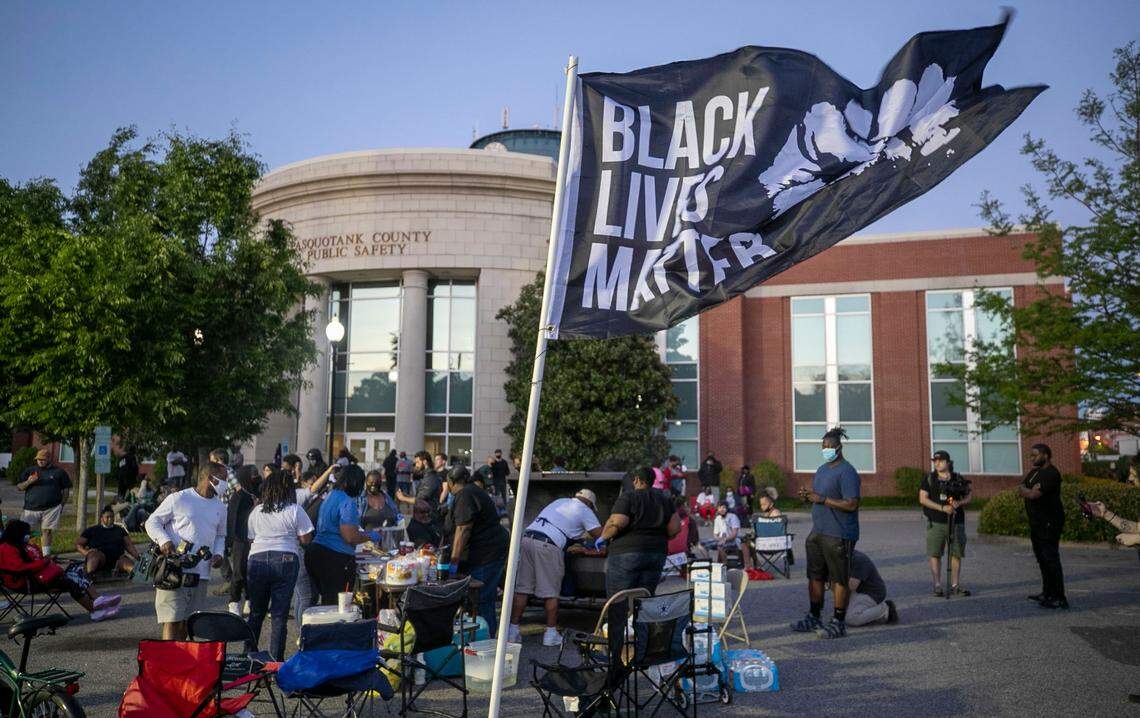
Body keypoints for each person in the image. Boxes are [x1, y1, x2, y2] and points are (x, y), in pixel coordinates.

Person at [596, 466, 681, 685]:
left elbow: (617, 522)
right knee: (643, 603)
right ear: (653, 481)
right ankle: (642, 653)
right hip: (655, 554)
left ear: (635, 480)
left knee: (618, 604)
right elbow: (674, 529)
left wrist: (603, 538)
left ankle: (616, 662)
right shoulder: (664, 498)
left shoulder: (629, 497)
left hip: (626, 554)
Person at [507, 489, 602, 646]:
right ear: (590, 504)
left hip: (527, 539)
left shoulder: (560, 501)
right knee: (551, 592)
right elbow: (600, 535)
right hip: (547, 545)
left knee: (522, 588)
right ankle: (550, 634)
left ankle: (512, 632)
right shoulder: (585, 510)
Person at [145, 462, 228, 640]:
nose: (226, 484)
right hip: (174, 571)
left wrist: (219, 554)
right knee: (172, 620)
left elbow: (221, 536)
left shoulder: (220, 507)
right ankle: (169, 661)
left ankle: (181, 661)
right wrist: (164, 540)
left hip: (201, 574)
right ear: (210, 478)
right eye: (223, 479)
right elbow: (152, 522)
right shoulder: (179, 498)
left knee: (188, 623)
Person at [793, 427, 861, 640]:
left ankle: (838, 621)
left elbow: (851, 504)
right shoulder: (822, 470)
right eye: (823, 447)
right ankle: (814, 616)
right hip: (819, 532)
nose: (826, 450)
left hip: (839, 533)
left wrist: (822, 499)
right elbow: (820, 496)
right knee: (815, 576)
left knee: (839, 579)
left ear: (839, 448)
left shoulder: (847, 471)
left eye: (829, 447)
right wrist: (809, 497)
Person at [246, 470, 315, 660]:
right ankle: (276, 662)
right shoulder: (294, 509)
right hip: (285, 559)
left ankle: (247, 658)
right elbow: (305, 539)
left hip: (257, 559)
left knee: (256, 613)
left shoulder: (257, 511)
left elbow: (251, 537)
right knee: (278, 615)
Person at [0, 519, 121, 621]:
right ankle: (96, 605)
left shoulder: (21, 545)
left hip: (36, 577)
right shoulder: (7, 548)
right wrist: (44, 562)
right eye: (26, 533)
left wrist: (47, 560)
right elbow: (20, 569)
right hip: (26, 582)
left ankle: (97, 603)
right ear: (17, 534)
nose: (29, 535)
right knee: (71, 579)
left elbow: (34, 561)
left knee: (76, 570)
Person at [443, 466, 509, 636]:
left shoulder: (465, 495)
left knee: (481, 600)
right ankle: (480, 639)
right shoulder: (470, 492)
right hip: (484, 553)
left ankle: (486, 643)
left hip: (485, 556)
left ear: (450, 482)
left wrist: (454, 563)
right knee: (479, 600)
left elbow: (463, 530)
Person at [305, 464, 381, 606]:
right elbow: (350, 537)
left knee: (326, 602)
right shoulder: (347, 502)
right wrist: (370, 536)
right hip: (335, 558)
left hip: (316, 552)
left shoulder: (331, 495)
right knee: (337, 605)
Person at [1018, 444, 1067, 609]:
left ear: (1045, 455)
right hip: (1036, 523)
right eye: (1031, 455)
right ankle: (1047, 592)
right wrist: (1027, 490)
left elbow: (1034, 495)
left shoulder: (1051, 473)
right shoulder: (1034, 473)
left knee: (1051, 559)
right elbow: (1021, 488)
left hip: (1049, 522)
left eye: (1035, 455)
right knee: (1042, 559)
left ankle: (1059, 597)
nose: (1032, 458)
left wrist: (1029, 491)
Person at [919, 450, 972, 597]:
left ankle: (955, 585)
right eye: (935, 461)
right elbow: (923, 499)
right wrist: (942, 508)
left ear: (948, 463)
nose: (937, 463)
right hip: (935, 522)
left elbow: (969, 494)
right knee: (935, 553)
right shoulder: (929, 479)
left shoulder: (957, 478)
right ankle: (937, 585)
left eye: (940, 461)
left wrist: (959, 503)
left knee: (956, 553)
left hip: (956, 522)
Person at [16, 448, 71, 557]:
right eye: (38, 459)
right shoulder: (30, 471)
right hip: (30, 508)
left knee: (46, 531)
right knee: (26, 532)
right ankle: (25, 554)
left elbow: (66, 490)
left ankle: (46, 556)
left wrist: (61, 505)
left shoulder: (59, 472)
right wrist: (29, 481)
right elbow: (19, 487)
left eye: (43, 459)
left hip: (52, 508)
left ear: (49, 459)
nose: (40, 461)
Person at [227, 465, 260, 615]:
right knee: (239, 571)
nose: (255, 477)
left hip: (255, 539)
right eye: (252, 474)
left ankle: (249, 599)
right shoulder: (239, 496)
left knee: (251, 571)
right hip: (240, 539)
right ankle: (234, 602)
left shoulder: (256, 492)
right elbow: (233, 520)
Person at [77, 505, 139, 575]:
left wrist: (138, 557)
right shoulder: (91, 530)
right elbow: (79, 544)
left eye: (112, 517)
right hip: (100, 558)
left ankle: (134, 574)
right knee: (93, 555)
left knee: (133, 568)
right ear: (101, 518)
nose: (110, 519)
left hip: (118, 560)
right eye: (107, 517)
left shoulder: (120, 530)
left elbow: (129, 545)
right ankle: (90, 574)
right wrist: (87, 553)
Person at [845, 550, 898, 627]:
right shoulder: (833, 557)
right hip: (857, 590)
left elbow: (851, 587)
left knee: (852, 618)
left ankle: (885, 608)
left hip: (871, 592)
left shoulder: (858, 560)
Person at [712, 501, 754, 569]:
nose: (722, 509)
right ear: (717, 509)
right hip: (722, 539)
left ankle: (724, 566)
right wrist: (720, 539)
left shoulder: (732, 517)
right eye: (720, 508)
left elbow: (734, 534)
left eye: (724, 508)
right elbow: (715, 535)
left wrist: (724, 539)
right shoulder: (717, 519)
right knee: (703, 545)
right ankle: (709, 566)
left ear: (727, 508)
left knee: (720, 546)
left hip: (734, 540)